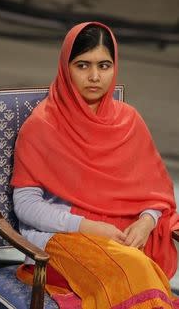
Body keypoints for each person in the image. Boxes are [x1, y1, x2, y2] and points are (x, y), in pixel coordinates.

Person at [11, 21, 179, 309]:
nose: (94, 77)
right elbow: (25, 204)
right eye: (82, 65)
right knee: (133, 271)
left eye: (104, 66)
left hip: (124, 235)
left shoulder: (129, 121)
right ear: (66, 68)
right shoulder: (42, 126)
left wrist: (147, 221)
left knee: (135, 267)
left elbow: (153, 192)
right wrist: (87, 226)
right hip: (62, 240)